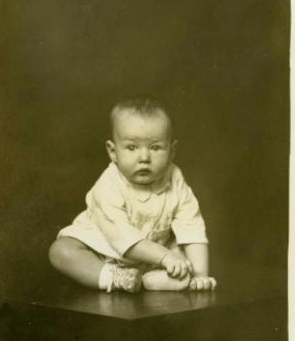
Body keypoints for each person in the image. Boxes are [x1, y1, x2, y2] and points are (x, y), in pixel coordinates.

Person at [49, 96, 217, 293]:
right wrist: (165, 256)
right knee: (61, 250)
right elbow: (122, 237)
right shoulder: (108, 184)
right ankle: (113, 277)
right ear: (113, 152)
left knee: (185, 260)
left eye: (155, 148)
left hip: (155, 256)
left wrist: (200, 275)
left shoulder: (175, 178)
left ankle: (151, 279)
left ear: (172, 151)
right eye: (131, 147)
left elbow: (192, 226)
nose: (144, 158)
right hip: (104, 252)